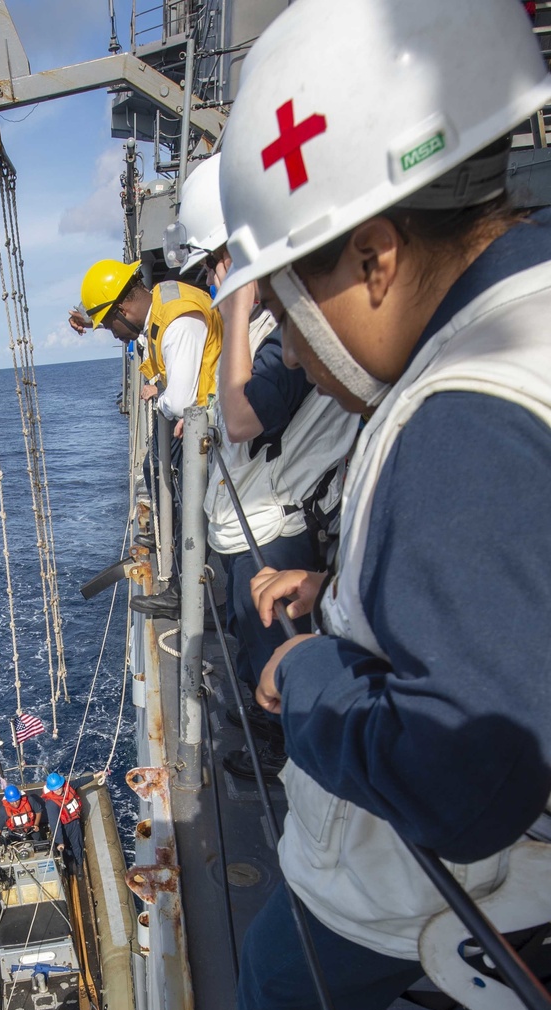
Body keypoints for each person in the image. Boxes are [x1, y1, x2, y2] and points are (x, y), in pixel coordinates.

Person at [171, 0, 551, 1010]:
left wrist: (322, 679)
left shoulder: (459, 415)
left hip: (434, 856)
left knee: (283, 986)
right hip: (536, 882)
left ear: (378, 255)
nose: (282, 336)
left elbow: (467, 770)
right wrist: (338, 576)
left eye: (286, 295)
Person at [178, 152, 360, 784]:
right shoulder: (262, 325)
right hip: (246, 522)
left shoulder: (278, 328)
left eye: (212, 268)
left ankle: (288, 761)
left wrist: (236, 308)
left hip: (277, 526)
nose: (209, 282)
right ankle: (274, 740)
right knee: (254, 640)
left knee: (278, 650)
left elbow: (243, 419)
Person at [77, 256, 224, 618]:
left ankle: (186, 591)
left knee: (186, 498)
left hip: (207, 427)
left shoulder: (176, 323)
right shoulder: (161, 305)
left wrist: (159, 394)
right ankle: (180, 575)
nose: (114, 335)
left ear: (124, 308)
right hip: (194, 421)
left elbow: (183, 399)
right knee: (155, 469)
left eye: (110, 326)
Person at [42, 772, 84, 873]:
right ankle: (68, 867)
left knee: (77, 845)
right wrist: (59, 841)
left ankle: (79, 865)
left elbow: (79, 782)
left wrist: (95, 776)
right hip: (62, 827)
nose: (58, 790)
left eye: (59, 787)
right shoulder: (51, 804)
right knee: (65, 849)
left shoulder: (68, 787)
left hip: (73, 823)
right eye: (55, 789)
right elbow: (55, 824)